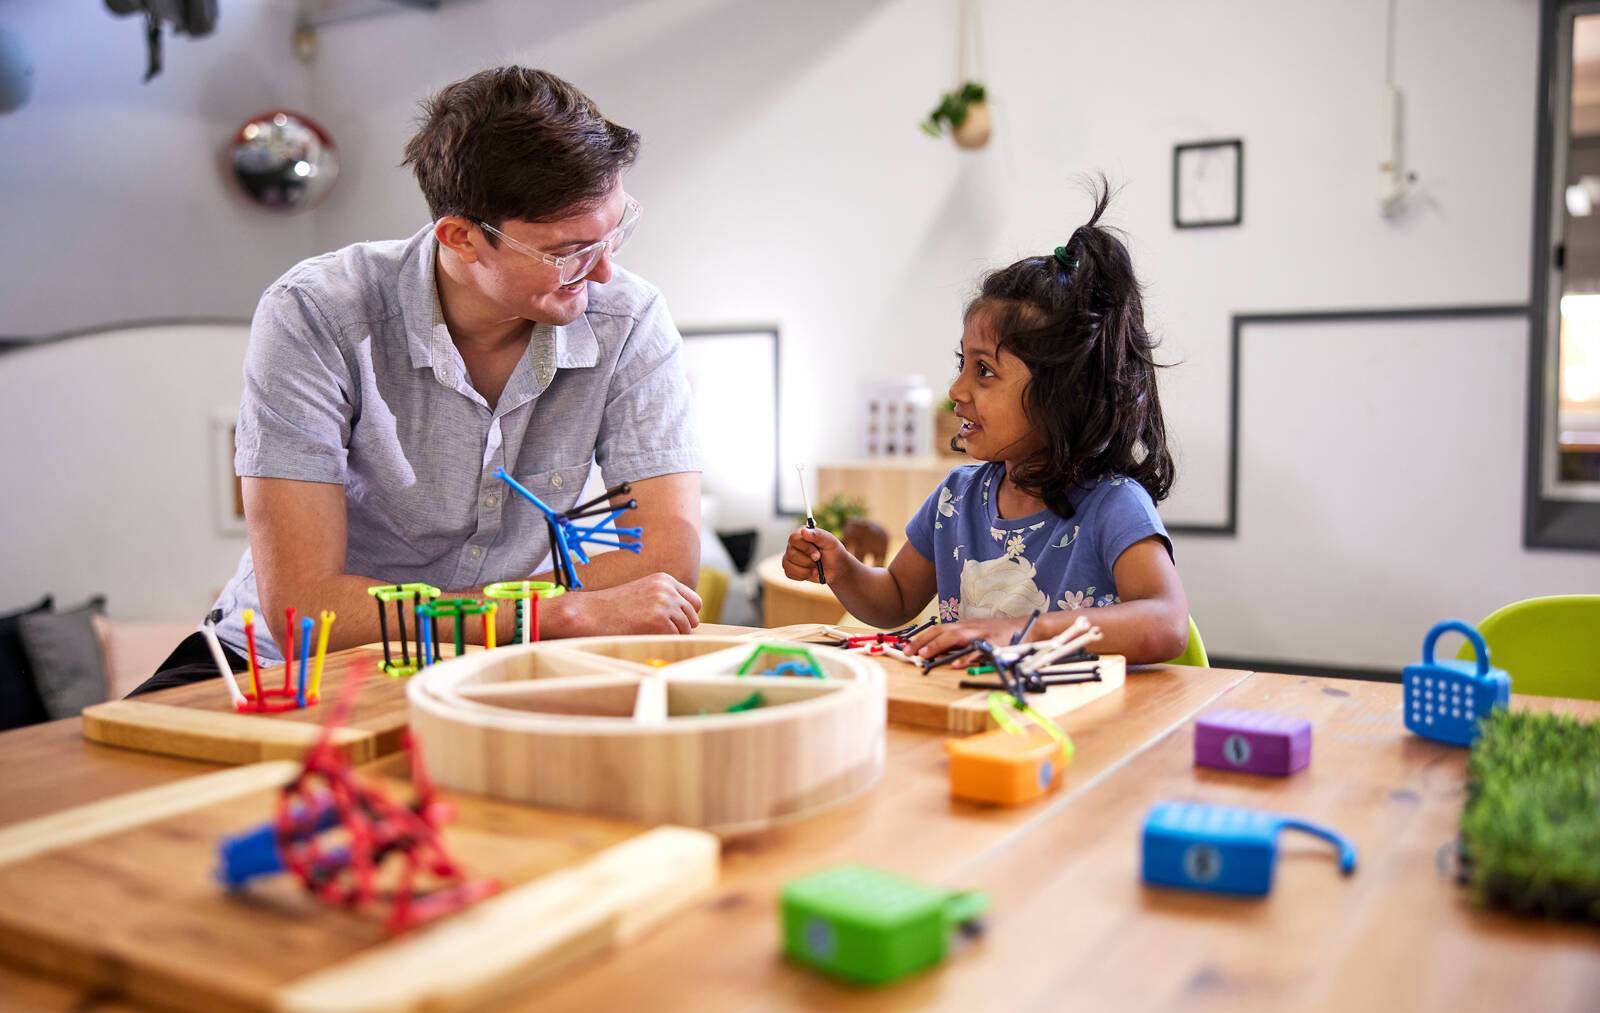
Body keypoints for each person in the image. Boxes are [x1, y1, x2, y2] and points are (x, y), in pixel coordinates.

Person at [133, 67, 703, 695]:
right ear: (461, 238)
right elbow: (306, 611)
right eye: (567, 251)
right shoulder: (316, 312)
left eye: (616, 231)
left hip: (508, 664)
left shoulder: (629, 318)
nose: (601, 273)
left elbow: (665, 567)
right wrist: (549, 612)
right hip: (283, 667)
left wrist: (502, 625)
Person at [783, 182, 1189, 665]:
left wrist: (1015, 632)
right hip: (977, 721)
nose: (956, 390)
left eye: (984, 370)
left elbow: (1165, 624)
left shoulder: (1113, 506)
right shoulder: (957, 498)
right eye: (962, 363)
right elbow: (893, 596)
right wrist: (842, 569)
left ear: (1064, 392)